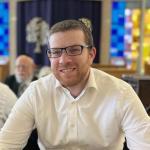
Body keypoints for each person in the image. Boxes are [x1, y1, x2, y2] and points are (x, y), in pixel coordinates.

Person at [0, 19, 150, 150]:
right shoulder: (36, 92)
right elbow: (6, 144)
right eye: (56, 52)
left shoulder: (121, 93)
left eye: (73, 50)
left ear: (91, 54)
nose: (63, 60)